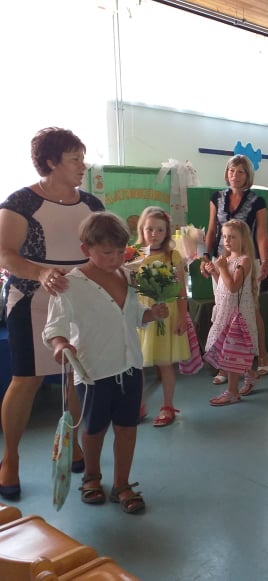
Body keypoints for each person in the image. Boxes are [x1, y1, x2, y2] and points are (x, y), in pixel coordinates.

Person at [0, 127, 104, 500]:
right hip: (32, 300)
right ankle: (10, 458)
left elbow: (102, 249)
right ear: (50, 162)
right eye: (75, 159)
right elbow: (5, 253)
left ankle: (73, 446)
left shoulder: (91, 204)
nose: (82, 165)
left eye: (82, 158)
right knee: (26, 380)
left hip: (80, 299)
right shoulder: (20, 202)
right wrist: (41, 272)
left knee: (76, 376)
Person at [43, 211, 168, 514]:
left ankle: (122, 484)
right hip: (93, 372)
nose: (115, 259)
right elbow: (54, 327)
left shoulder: (126, 276)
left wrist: (151, 314)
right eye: (107, 253)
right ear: (86, 249)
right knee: (94, 429)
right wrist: (60, 345)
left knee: (127, 427)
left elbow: (133, 314)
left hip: (130, 366)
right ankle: (91, 477)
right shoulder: (69, 285)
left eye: (120, 252)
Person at [201, 154, 268, 384]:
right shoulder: (217, 197)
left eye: (240, 171)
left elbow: (262, 234)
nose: (235, 175)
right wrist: (206, 257)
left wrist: (265, 261)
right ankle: (225, 364)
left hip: (246, 259)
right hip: (222, 260)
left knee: (250, 309)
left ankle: (261, 355)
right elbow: (212, 229)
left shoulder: (257, 201)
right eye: (232, 171)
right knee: (223, 309)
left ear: (247, 175)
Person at [134, 206, 190, 427]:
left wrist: (182, 317)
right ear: (142, 229)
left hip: (167, 315)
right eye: (149, 229)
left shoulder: (173, 256)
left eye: (160, 229)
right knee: (137, 364)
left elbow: (181, 291)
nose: (154, 234)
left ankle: (167, 405)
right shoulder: (135, 255)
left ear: (167, 232)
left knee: (164, 363)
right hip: (141, 315)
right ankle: (138, 405)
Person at [203, 219, 260, 405]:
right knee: (230, 349)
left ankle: (232, 391)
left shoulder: (244, 261)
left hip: (237, 315)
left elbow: (234, 287)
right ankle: (250, 375)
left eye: (232, 237)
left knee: (232, 351)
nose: (227, 240)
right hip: (225, 312)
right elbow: (223, 285)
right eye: (225, 236)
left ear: (243, 239)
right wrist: (215, 272)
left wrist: (221, 268)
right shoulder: (225, 259)